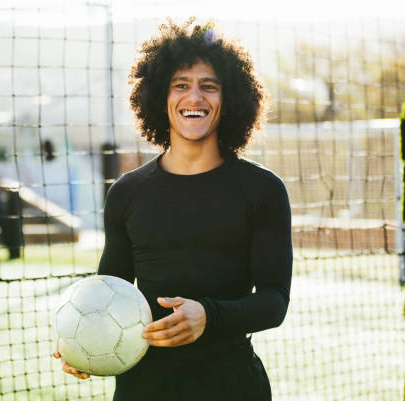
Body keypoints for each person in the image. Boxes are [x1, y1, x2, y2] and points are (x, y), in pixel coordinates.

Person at [54, 19, 292, 401]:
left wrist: (209, 316)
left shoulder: (263, 190)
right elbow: (106, 294)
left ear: (229, 99)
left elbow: (274, 301)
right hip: (145, 387)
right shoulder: (127, 192)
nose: (194, 98)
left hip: (230, 384)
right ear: (158, 97)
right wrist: (84, 345)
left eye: (209, 86)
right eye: (181, 84)